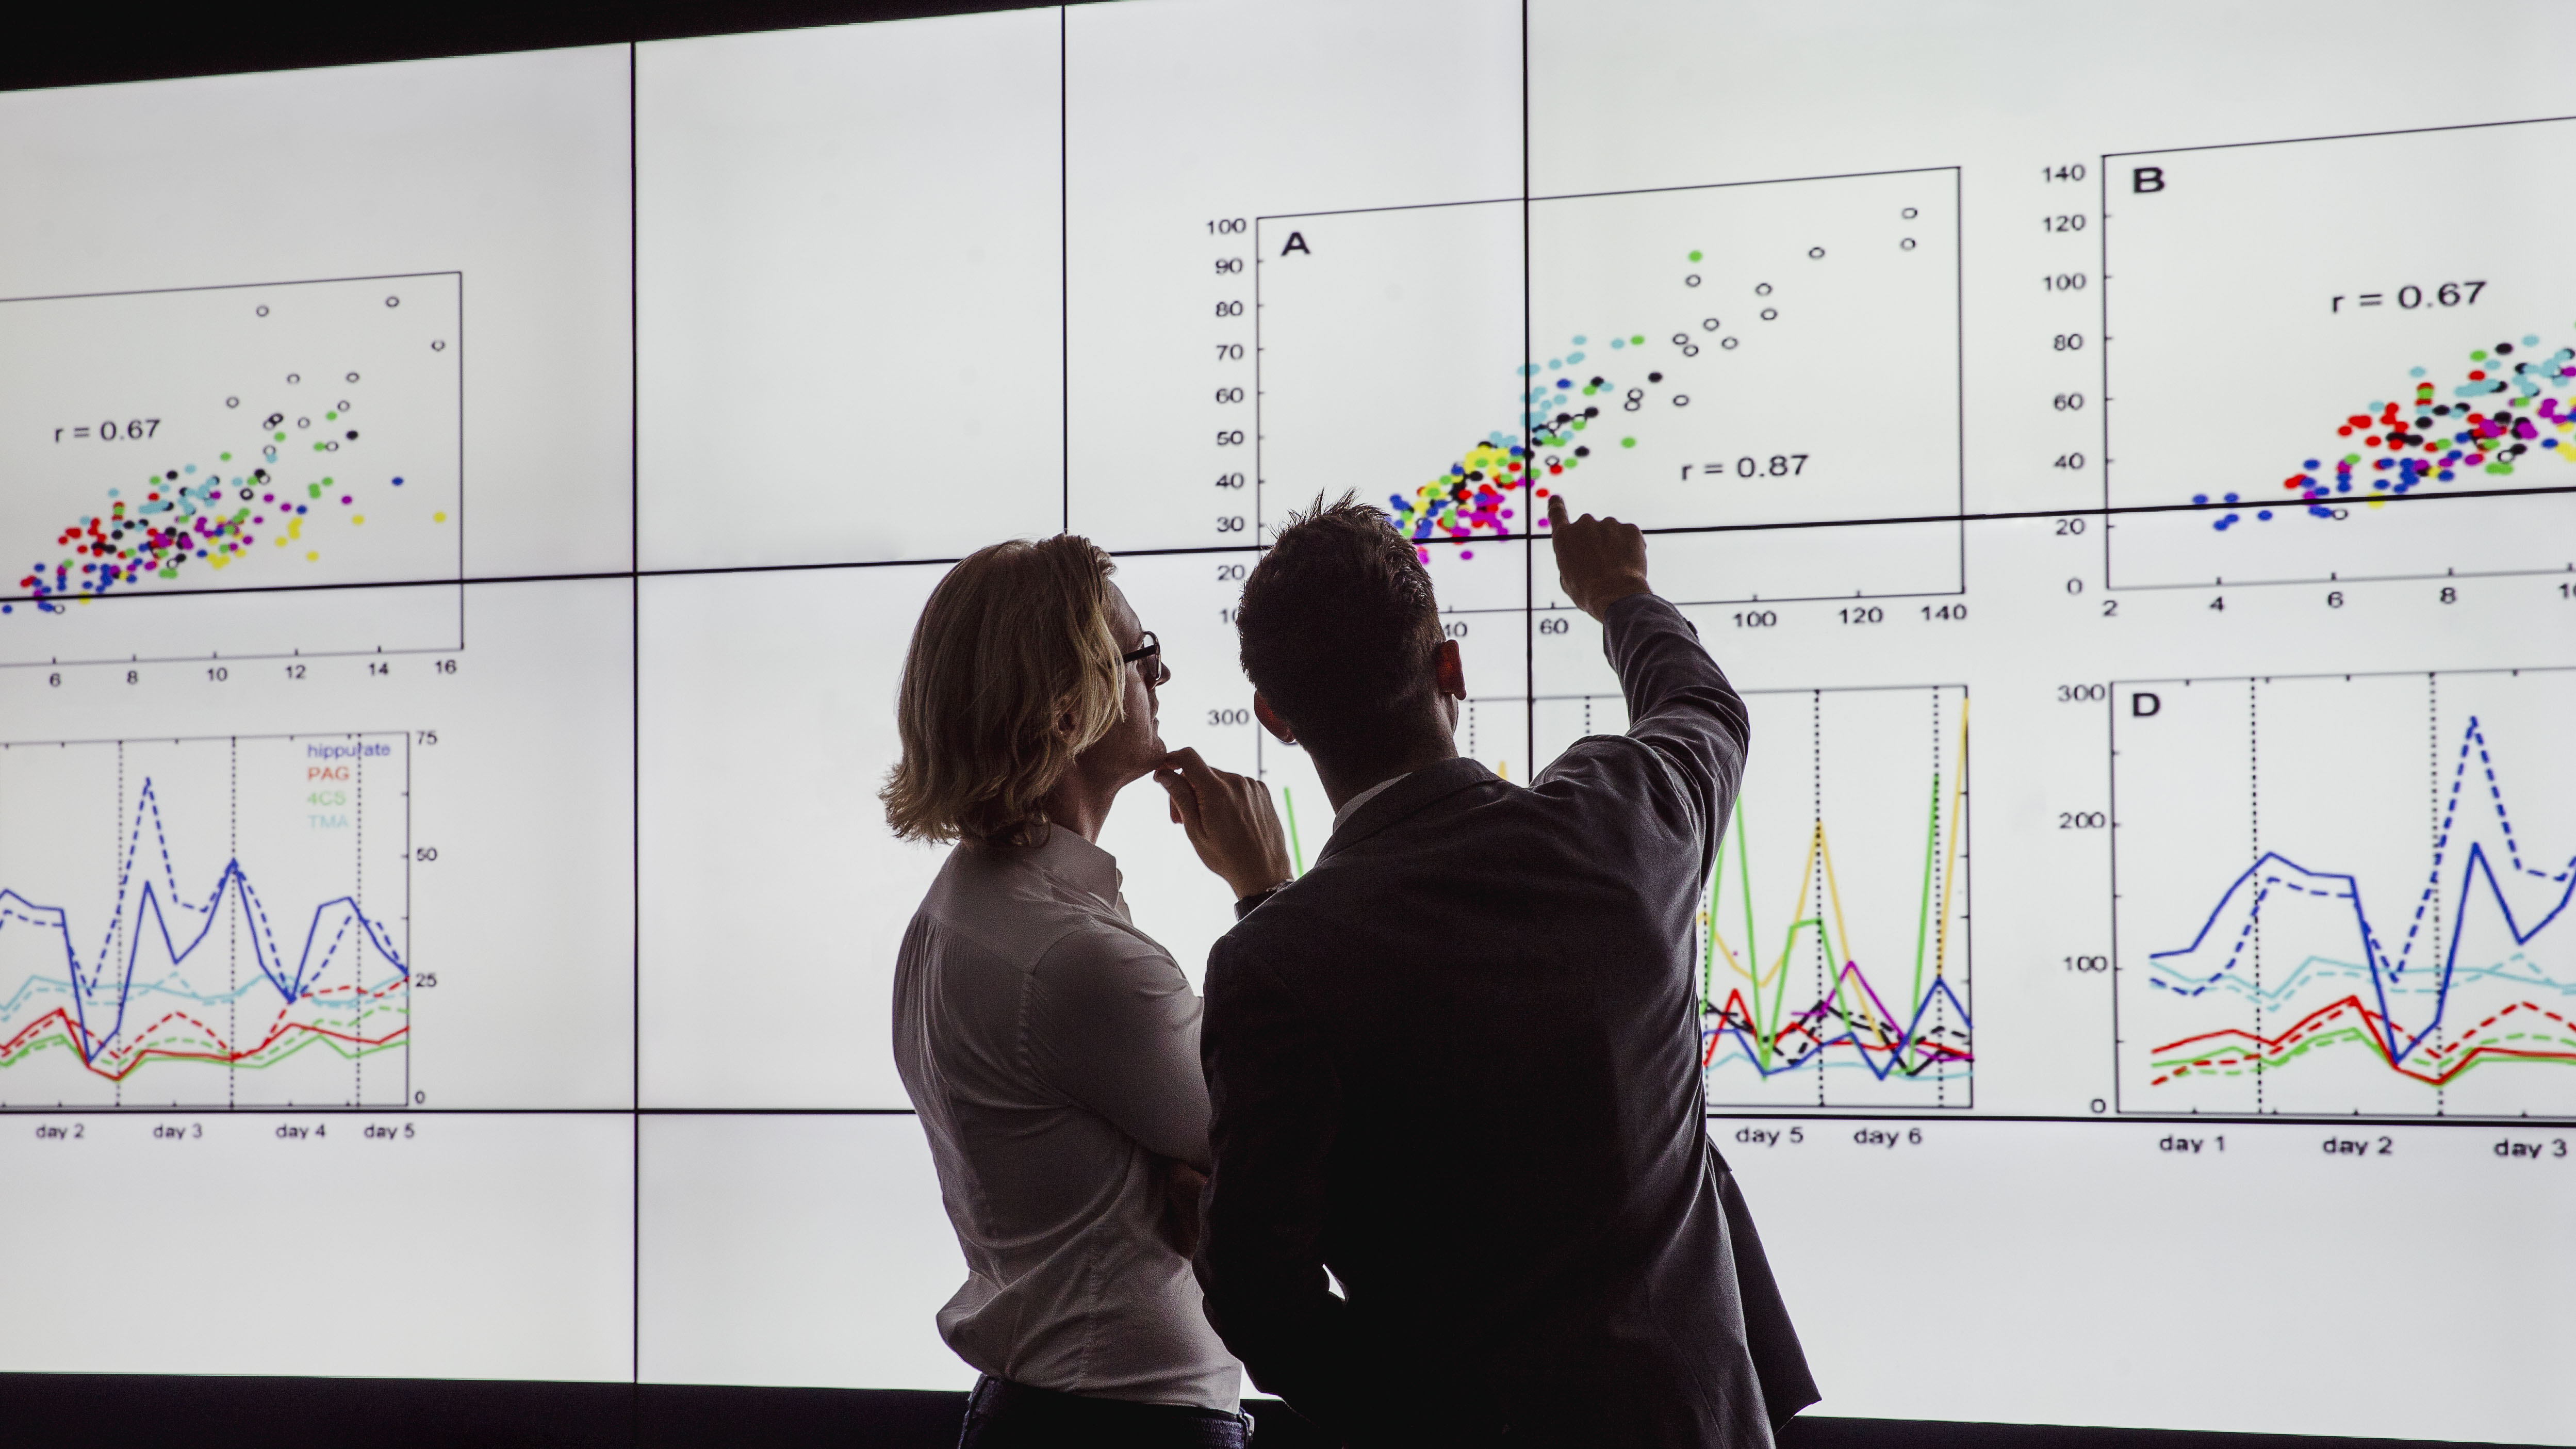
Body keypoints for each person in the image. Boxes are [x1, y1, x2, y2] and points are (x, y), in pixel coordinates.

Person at [1194, 494, 1820, 1446]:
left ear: (1276, 717)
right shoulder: (1621, 818)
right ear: (1449, 666)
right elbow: (1702, 709)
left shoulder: (1272, 960)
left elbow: (1253, 1293)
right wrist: (1620, 596)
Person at [883, 534, 1294, 1448]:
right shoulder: (1072, 958)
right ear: (1068, 710)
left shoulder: (956, 915)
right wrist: (1266, 895)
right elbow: (1291, 1132)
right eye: (1142, 658)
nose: (1165, 675)